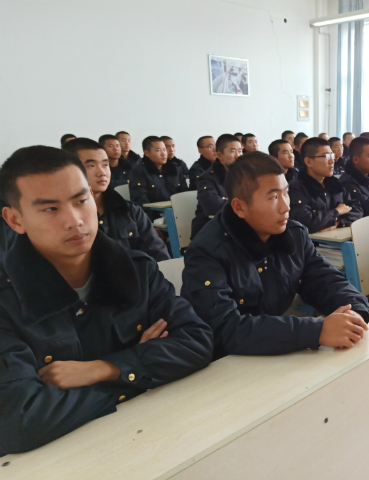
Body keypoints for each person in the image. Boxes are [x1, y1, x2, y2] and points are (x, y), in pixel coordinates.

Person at [0, 146, 212, 455]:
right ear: (14, 220)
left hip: (158, 435)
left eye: (80, 201)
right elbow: (17, 422)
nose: (74, 220)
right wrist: (136, 372)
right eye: (50, 209)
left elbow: (197, 341)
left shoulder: (136, 270)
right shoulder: (6, 300)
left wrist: (105, 369)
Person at [181, 153, 369, 360]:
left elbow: (325, 280)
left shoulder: (294, 234)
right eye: (273, 197)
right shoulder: (207, 252)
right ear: (239, 207)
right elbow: (225, 329)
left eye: (286, 193)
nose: (286, 207)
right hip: (225, 362)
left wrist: (354, 312)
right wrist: (316, 331)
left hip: (273, 349)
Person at [63, 138, 170, 261]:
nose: (102, 172)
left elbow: (159, 254)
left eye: (105, 165)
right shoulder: (67, 219)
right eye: (91, 165)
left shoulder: (130, 211)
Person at [289, 137, 363, 233]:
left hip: (337, 238)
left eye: (332, 155)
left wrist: (339, 222)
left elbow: (358, 209)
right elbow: (307, 221)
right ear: (308, 162)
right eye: (326, 156)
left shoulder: (334, 184)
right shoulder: (296, 188)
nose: (332, 161)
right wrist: (337, 212)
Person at [191, 134, 242, 239]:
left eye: (240, 151)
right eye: (232, 151)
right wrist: (243, 204)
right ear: (219, 155)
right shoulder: (206, 178)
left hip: (236, 226)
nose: (238, 156)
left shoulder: (243, 175)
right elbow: (213, 207)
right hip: (211, 231)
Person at [129, 136, 188, 222]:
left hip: (178, 214)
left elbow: (184, 194)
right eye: (158, 150)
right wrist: (153, 222)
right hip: (154, 217)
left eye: (164, 150)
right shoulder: (139, 171)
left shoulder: (175, 168)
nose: (163, 154)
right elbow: (140, 201)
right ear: (147, 153)